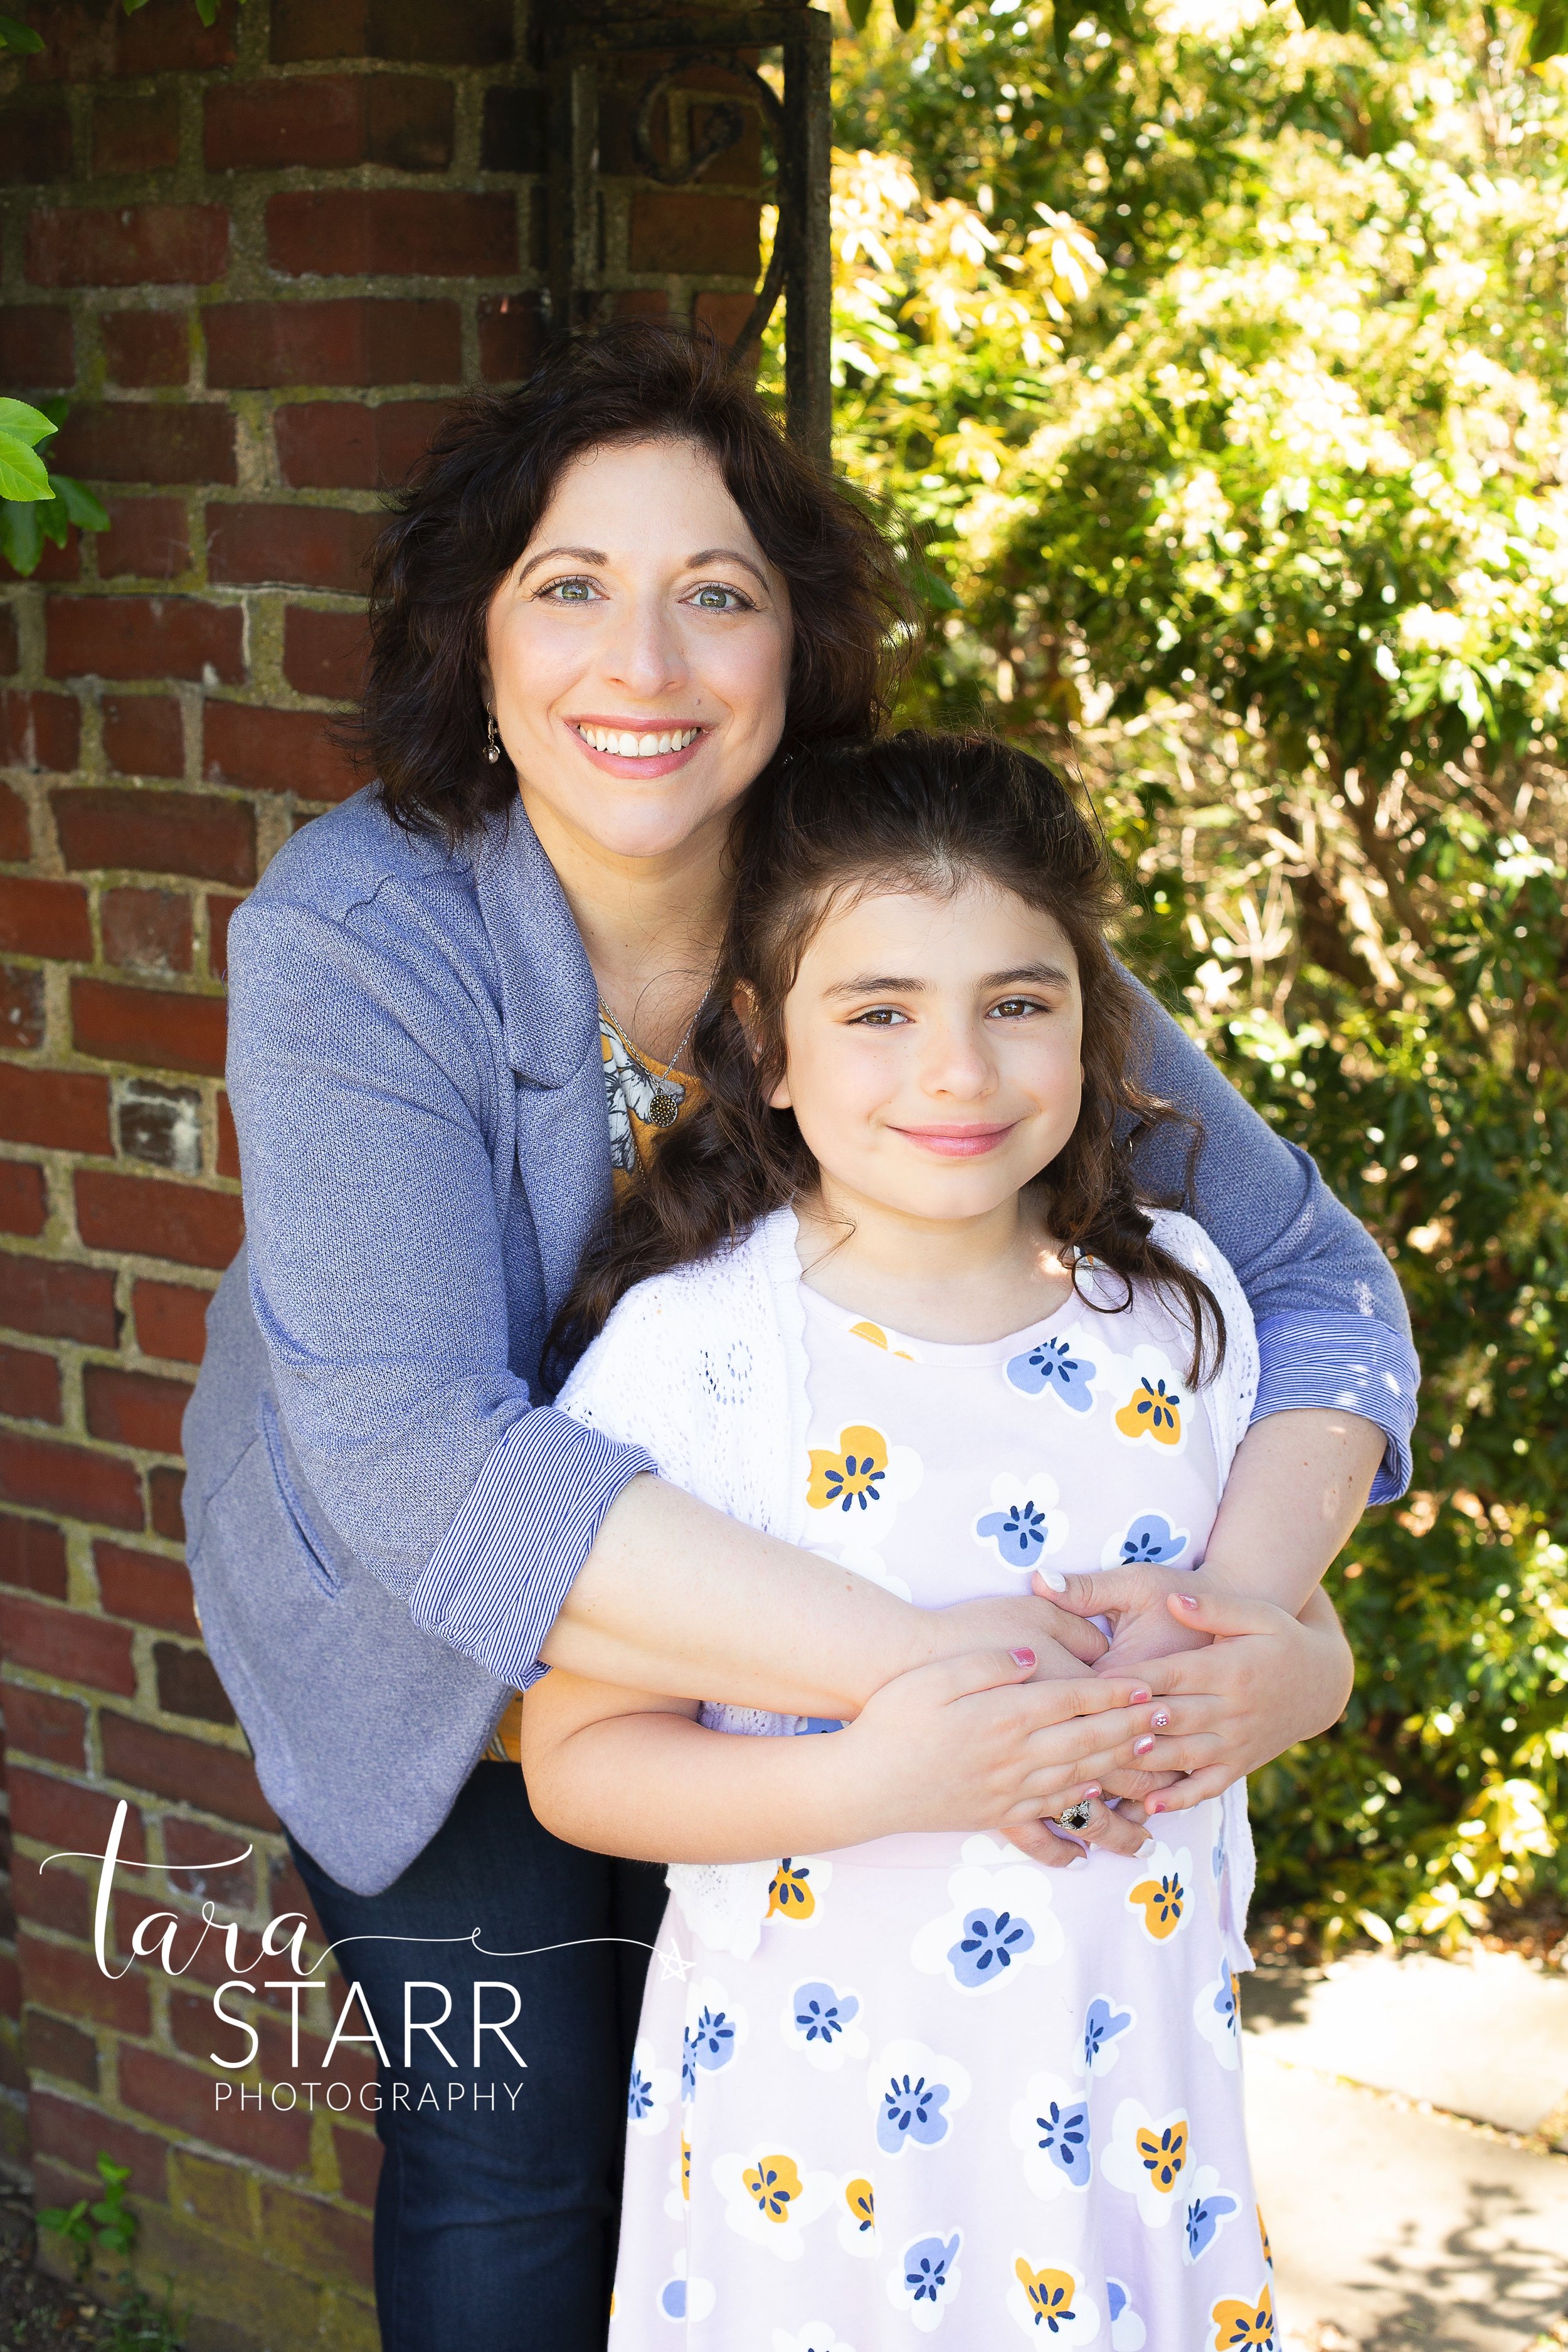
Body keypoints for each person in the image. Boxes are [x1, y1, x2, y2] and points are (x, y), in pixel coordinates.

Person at [181, 327, 1414, 2352]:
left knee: (797, 2137)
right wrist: (980, 1689)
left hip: (852, 1699)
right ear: (469, 641)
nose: (641, 667)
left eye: (716, 596)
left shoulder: (910, 911)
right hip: (428, 1647)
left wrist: (1237, 1627)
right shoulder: (358, 931)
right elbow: (416, 1460)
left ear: (798, 643)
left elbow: (1318, 1282)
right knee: (521, 2157)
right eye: (567, 588)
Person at [524, 731, 1290, 2348]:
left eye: (1020, 1002)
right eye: (880, 1012)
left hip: (1135, 2091)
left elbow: (1271, 1621)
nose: (959, 1069)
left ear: (1096, 1023)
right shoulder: (700, 1358)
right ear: (769, 1048)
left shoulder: (1186, 1314)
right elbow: (577, 1759)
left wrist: (1302, 1677)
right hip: (825, 2141)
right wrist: (868, 1781)